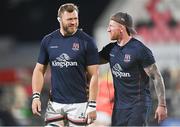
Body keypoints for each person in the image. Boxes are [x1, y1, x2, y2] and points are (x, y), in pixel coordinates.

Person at [31, 3, 99, 127]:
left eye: (75, 19)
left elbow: (94, 75)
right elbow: (39, 70)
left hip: (79, 104)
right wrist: (36, 96)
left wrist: (92, 104)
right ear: (59, 20)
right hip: (55, 104)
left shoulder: (87, 42)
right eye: (69, 19)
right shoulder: (48, 40)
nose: (73, 22)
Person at [99, 12, 167, 126]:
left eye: (111, 26)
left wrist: (162, 105)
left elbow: (156, 76)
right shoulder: (110, 49)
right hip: (119, 107)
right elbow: (91, 61)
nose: (108, 30)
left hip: (138, 105)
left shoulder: (140, 50)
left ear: (121, 28)